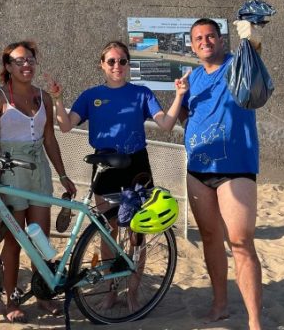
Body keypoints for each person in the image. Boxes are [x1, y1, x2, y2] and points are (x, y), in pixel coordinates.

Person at [48, 41, 188, 312]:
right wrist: (57, 99)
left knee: (138, 230)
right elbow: (65, 126)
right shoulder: (91, 95)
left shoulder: (141, 93)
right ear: (102, 64)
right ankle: (111, 291)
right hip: (105, 165)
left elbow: (167, 124)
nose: (117, 66)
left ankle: (133, 293)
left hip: (136, 165)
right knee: (106, 230)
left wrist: (179, 95)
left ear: (128, 65)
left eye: (122, 61)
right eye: (111, 61)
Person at [176, 18, 264, 329]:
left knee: (240, 241)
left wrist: (253, 39)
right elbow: (185, 113)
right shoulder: (194, 77)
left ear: (221, 39)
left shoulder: (236, 65)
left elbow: (253, 55)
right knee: (210, 238)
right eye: (198, 38)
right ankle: (220, 305)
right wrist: (183, 103)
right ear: (192, 44)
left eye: (210, 36)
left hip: (235, 168)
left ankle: (255, 321)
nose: (204, 41)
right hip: (198, 168)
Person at [0, 41, 77, 323]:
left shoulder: (43, 97)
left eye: (31, 60)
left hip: (39, 172)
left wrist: (62, 174)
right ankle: (9, 298)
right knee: (13, 240)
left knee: (40, 237)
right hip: (10, 172)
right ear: (8, 67)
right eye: (19, 61)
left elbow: (50, 138)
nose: (27, 65)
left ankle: (43, 294)